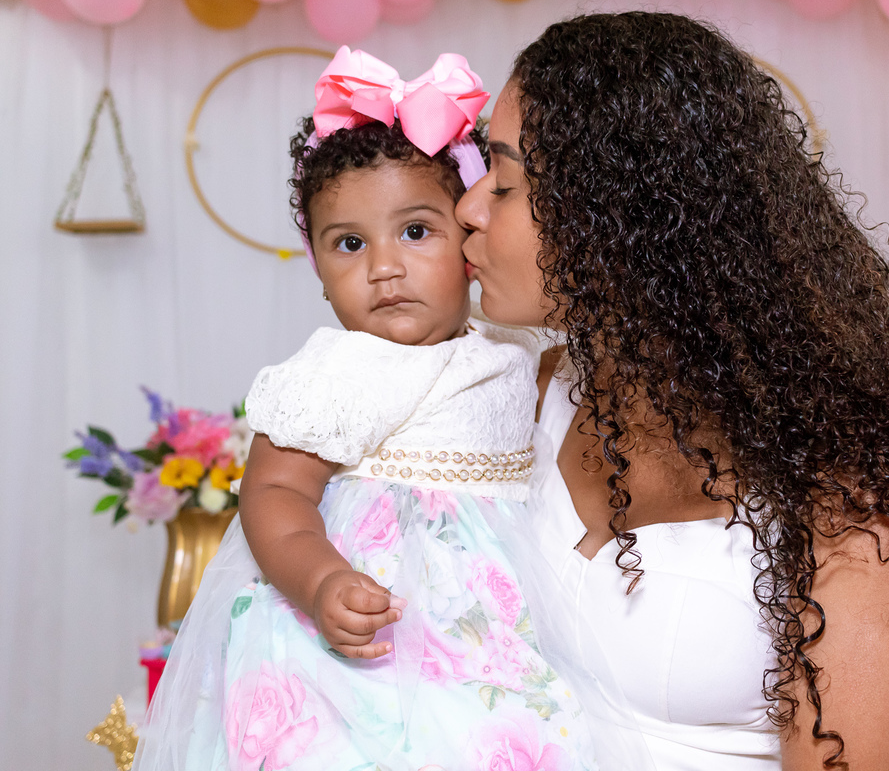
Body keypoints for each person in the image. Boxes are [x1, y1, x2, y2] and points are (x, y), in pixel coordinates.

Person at [456, 12, 889, 771]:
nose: (469, 207)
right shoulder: (531, 394)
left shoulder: (856, 514)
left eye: (506, 182)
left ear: (622, 218)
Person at [135, 47, 597, 771]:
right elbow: (275, 491)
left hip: (495, 626)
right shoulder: (337, 370)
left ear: (470, 240)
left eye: (415, 232)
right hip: (365, 625)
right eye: (350, 244)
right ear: (319, 271)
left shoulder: (513, 348)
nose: (384, 267)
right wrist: (321, 580)